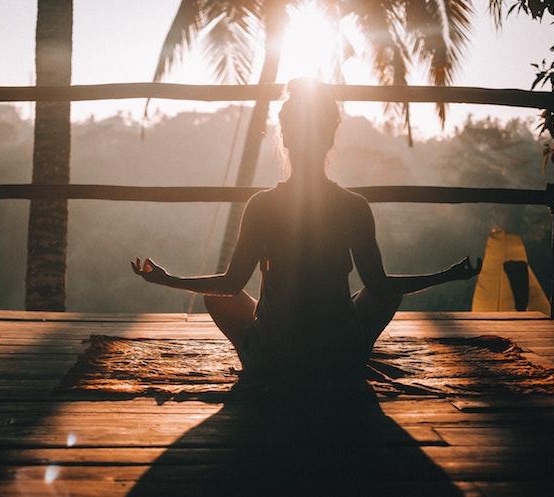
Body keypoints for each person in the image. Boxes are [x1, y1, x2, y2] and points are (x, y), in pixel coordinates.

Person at [131, 79, 481, 386]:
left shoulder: (262, 205)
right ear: (330, 137)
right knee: (384, 292)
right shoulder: (353, 205)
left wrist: (167, 279)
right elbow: (380, 285)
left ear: (285, 137)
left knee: (217, 297)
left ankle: (258, 358)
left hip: (274, 360)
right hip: (339, 359)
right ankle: (350, 351)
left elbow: (230, 284)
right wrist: (447, 275)